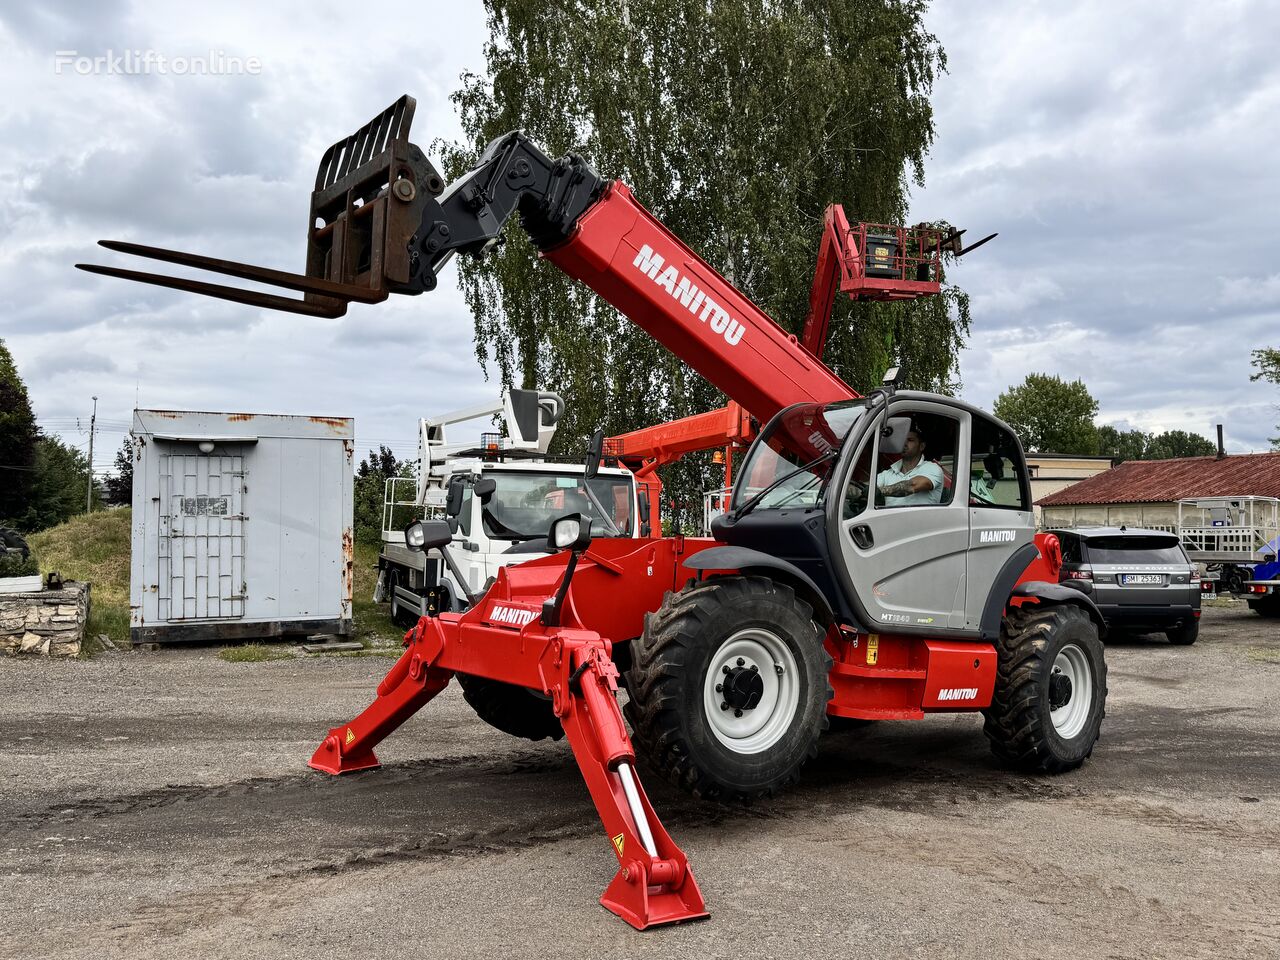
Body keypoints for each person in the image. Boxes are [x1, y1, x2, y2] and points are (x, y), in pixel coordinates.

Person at [876, 423, 944, 506]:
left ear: (921, 446)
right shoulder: (887, 474)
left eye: (910, 440)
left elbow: (913, 485)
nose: (904, 443)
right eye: (902, 440)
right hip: (890, 519)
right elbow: (869, 488)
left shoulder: (932, 468)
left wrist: (880, 491)